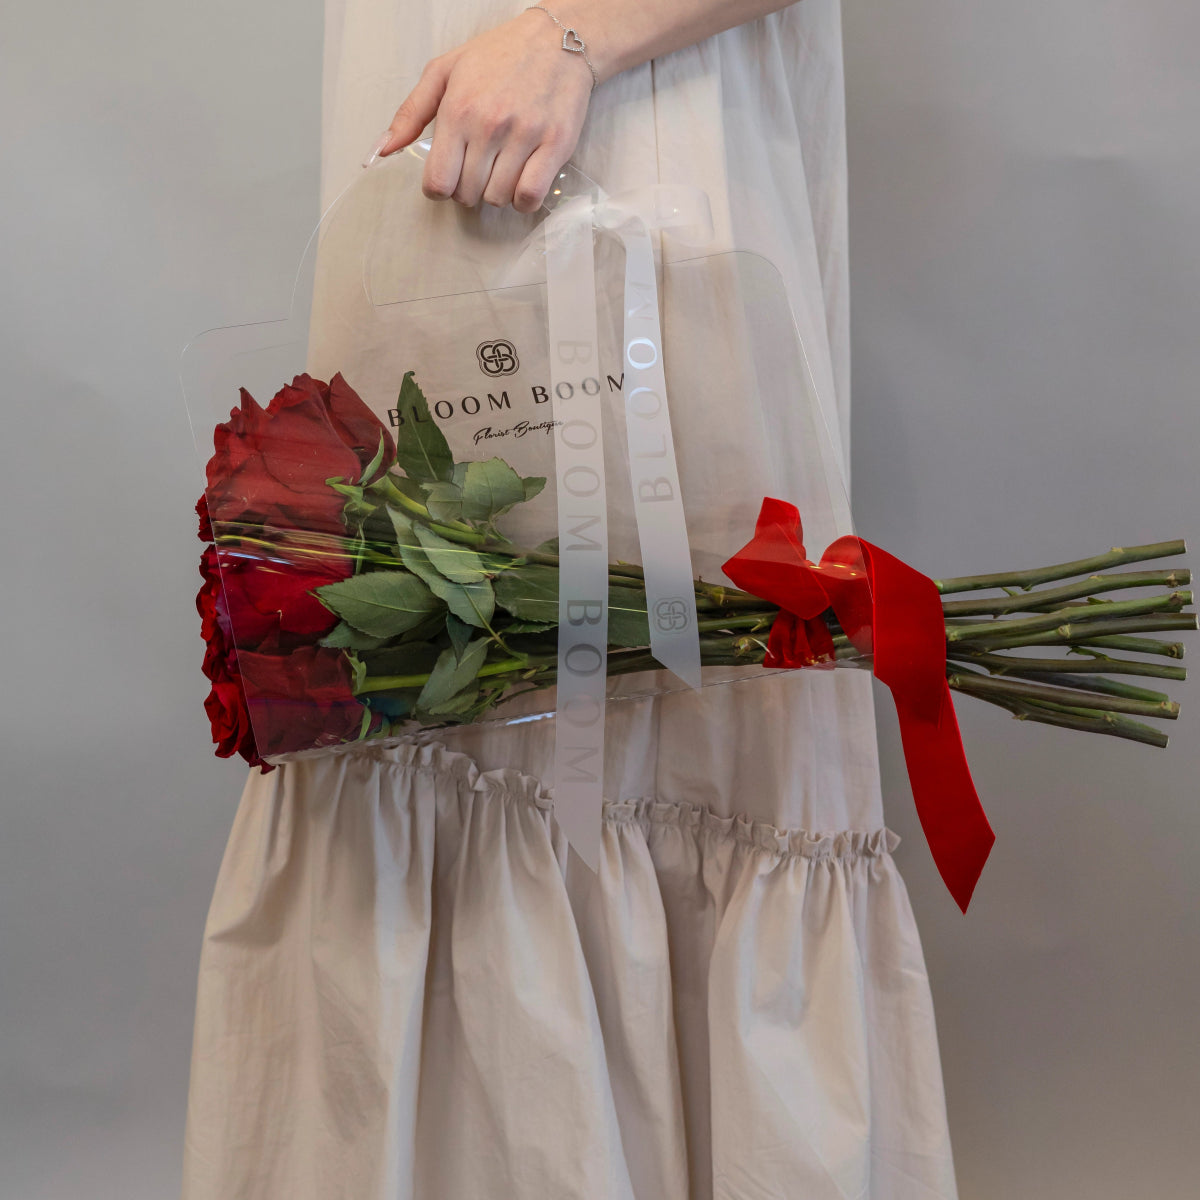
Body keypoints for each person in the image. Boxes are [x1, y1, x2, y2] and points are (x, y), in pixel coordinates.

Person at [181, 3, 961, 1197]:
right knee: (440, 687)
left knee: (672, 729)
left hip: (637, 125)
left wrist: (574, 37)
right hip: (442, 157)